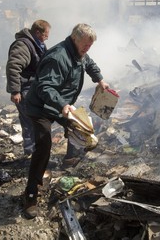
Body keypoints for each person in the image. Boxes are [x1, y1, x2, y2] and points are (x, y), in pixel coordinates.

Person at [22, 23, 109, 219]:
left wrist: (100, 80)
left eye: (90, 46)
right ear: (75, 38)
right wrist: (62, 104)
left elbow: (89, 63)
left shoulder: (79, 51)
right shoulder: (58, 57)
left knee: (84, 133)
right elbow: (45, 87)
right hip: (41, 107)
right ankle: (30, 195)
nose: (87, 49)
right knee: (44, 146)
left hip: (61, 105)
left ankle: (68, 161)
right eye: (85, 45)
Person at [6, 20, 51, 155]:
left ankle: (35, 152)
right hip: (24, 90)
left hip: (33, 89)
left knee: (35, 121)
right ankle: (31, 154)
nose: (47, 38)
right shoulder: (24, 45)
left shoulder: (37, 44)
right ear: (38, 32)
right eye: (46, 35)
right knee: (30, 122)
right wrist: (15, 91)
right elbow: (13, 67)